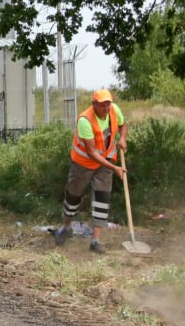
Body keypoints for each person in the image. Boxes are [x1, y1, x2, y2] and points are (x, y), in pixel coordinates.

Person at [53, 88, 129, 254]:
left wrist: (122, 138)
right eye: (102, 105)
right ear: (94, 104)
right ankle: (66, 228)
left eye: (108, 104)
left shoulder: (114, 111)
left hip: (105, 163)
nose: (106, 108)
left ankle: (95, 241)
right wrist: (115, 167)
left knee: (102, 198)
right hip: (83, 164)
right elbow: (92, 152)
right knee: (73, 197)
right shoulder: (85, 121)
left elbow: (123, 125)